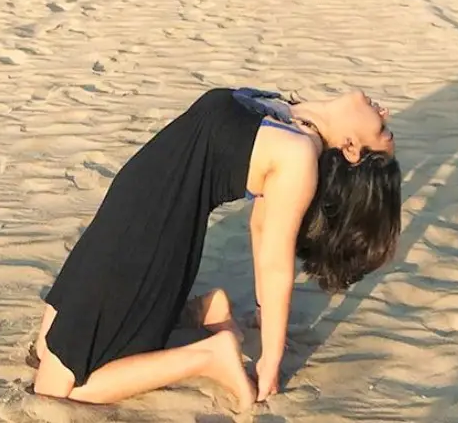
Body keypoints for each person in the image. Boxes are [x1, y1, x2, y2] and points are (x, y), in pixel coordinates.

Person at [30, 86, 402, 411]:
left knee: (57, 388)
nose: (383, 112)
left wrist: (270, 362)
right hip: (129, 206)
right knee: (46, 347)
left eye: (382, 129)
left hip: (149, 233)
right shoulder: (288, 113)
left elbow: (274, 259)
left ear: (352, 148)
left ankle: (208, 357)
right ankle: (205, 310)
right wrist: (260, 309)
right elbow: (259, 225)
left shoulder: (299, 156)